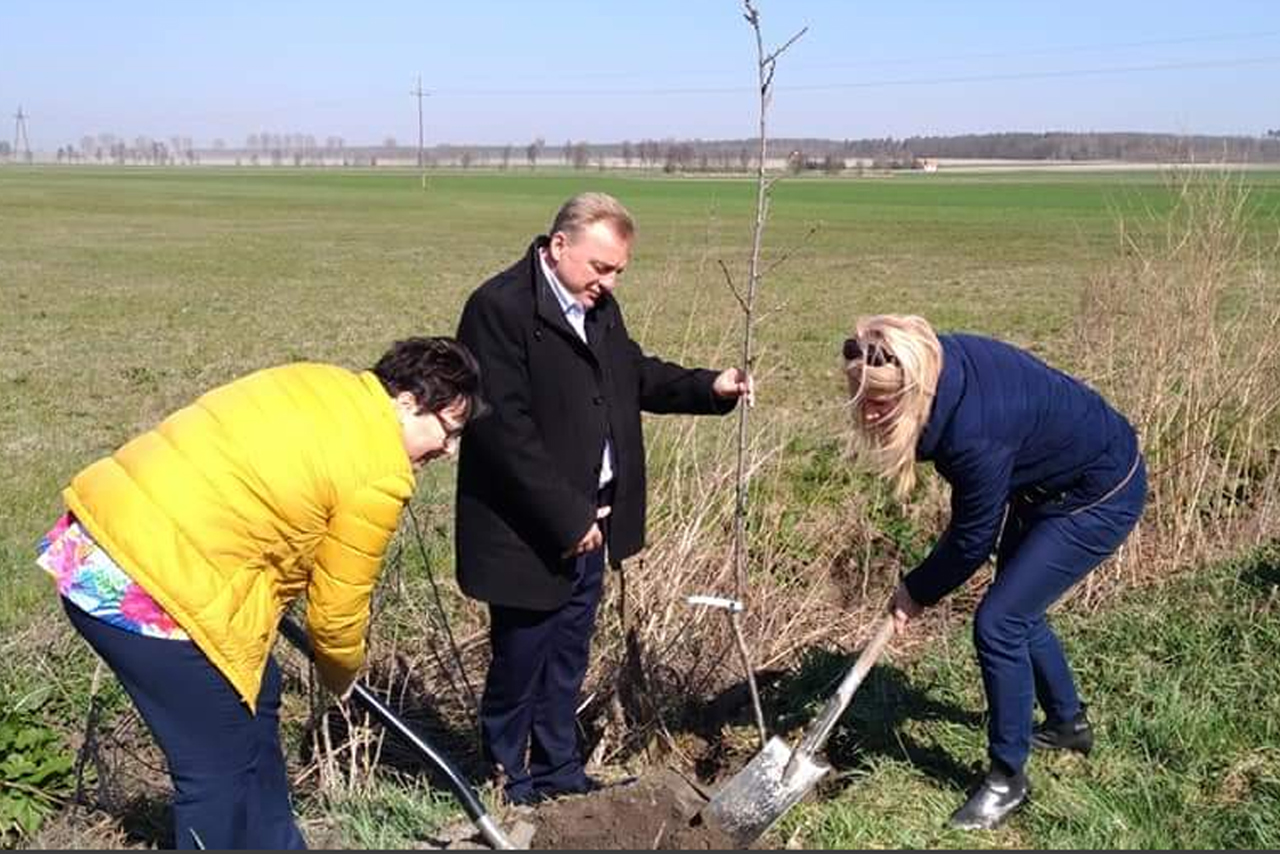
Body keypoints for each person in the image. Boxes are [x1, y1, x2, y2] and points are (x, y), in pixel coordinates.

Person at [37, 337, 483, 849]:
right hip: (143, 586)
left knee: (259, 690)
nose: (449, 450)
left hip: (91, 542)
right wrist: (340, 675)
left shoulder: (322, 381)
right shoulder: (379, 468)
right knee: (215, 766)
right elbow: (337, 615)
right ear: (406, 402)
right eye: (448, 431)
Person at [455, 192, 754, 806]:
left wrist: (710, 387)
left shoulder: (598, 310)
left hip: (595, 520)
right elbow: (502, 430)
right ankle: (506, 780)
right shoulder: (499, 309)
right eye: (600, 267)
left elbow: (633, 375)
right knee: (522, 658)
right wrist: (568, 518)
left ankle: (560, 772)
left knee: (567, 657)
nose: (609, 282)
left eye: (618, 270)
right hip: (528, 530)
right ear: (558, 245)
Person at [843, 315, 1146, 830]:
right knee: (1018, 608)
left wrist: (915, 591)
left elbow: (970, 542)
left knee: (999, 621)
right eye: (861, 399)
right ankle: (1069, 724)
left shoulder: (974, 432)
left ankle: (1007, 779)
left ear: (912, 390)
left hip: (1099, 493)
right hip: (1047, 483)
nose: (867, 416)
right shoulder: (941, 368)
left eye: (878, 404)